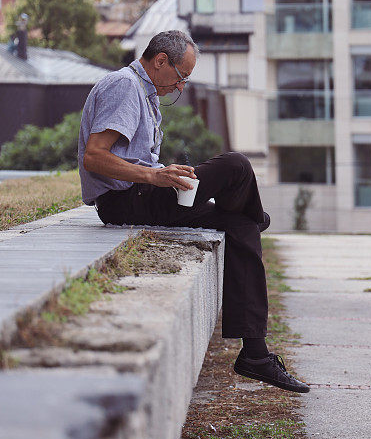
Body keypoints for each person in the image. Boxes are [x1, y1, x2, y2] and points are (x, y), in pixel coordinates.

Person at [78, 29, 309, 393]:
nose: (181, 86)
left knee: (240, 227)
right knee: (235, 164)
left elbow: (129, 158)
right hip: (127, 201)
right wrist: (155, 176)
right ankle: (256, 214)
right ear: (160, 61)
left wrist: (162, 174)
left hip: (144, 196)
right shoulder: (124, 86)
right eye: (180, 76)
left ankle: (255, 354)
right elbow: (95, 157)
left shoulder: (145, 93)